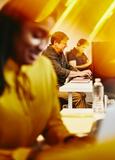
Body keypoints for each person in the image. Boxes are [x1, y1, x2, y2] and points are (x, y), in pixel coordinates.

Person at [0, 1, 80, 159]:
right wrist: (25, 156)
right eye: (36, 35)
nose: (41, 46)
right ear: (11, 30)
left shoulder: (43, 67)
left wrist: (69, 140)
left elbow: (51, 124)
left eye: (47, 37)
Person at [42, 31, 91, 108]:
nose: (66, 45)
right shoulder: (48, 54)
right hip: (51, 89)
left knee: (82, 94)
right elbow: (60, 71)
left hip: (60, 86)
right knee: (78, 97)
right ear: (55, 43)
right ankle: (81, 119)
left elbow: (67, 66)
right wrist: (80, 74)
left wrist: (80, 73)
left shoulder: (60, 52)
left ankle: (77, 117)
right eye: (64, 43)